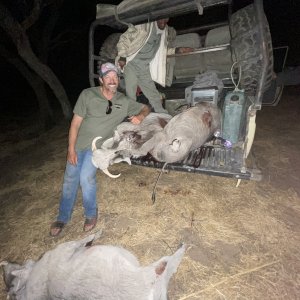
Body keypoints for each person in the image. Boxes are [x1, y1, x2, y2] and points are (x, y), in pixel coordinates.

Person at [50, 62, 150, 237]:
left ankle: (90, 213)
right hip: (79, 145)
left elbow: (145, 107)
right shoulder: (87, 95)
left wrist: (141, 116)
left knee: (86, 177)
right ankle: (63, 217)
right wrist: (71, 149)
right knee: (69, 180)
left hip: (98, 148)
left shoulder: (123, 101)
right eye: (108, 77)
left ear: (118, 80)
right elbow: (75, 124)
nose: (112, 80)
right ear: (101, 80)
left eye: (115, 77)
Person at [117, 18, 194, 113]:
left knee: (152, 91)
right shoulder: (143, 26)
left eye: (165, 18)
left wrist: (177, 50)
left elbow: (163, 51)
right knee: (131, 92)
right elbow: (124, 39)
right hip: (131, 63)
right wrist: (122, 57)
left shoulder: (164, 32)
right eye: (160, 18)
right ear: (156, 17)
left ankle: (161, 112)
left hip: (144, 66)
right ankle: (132, 116)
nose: (163, 21)